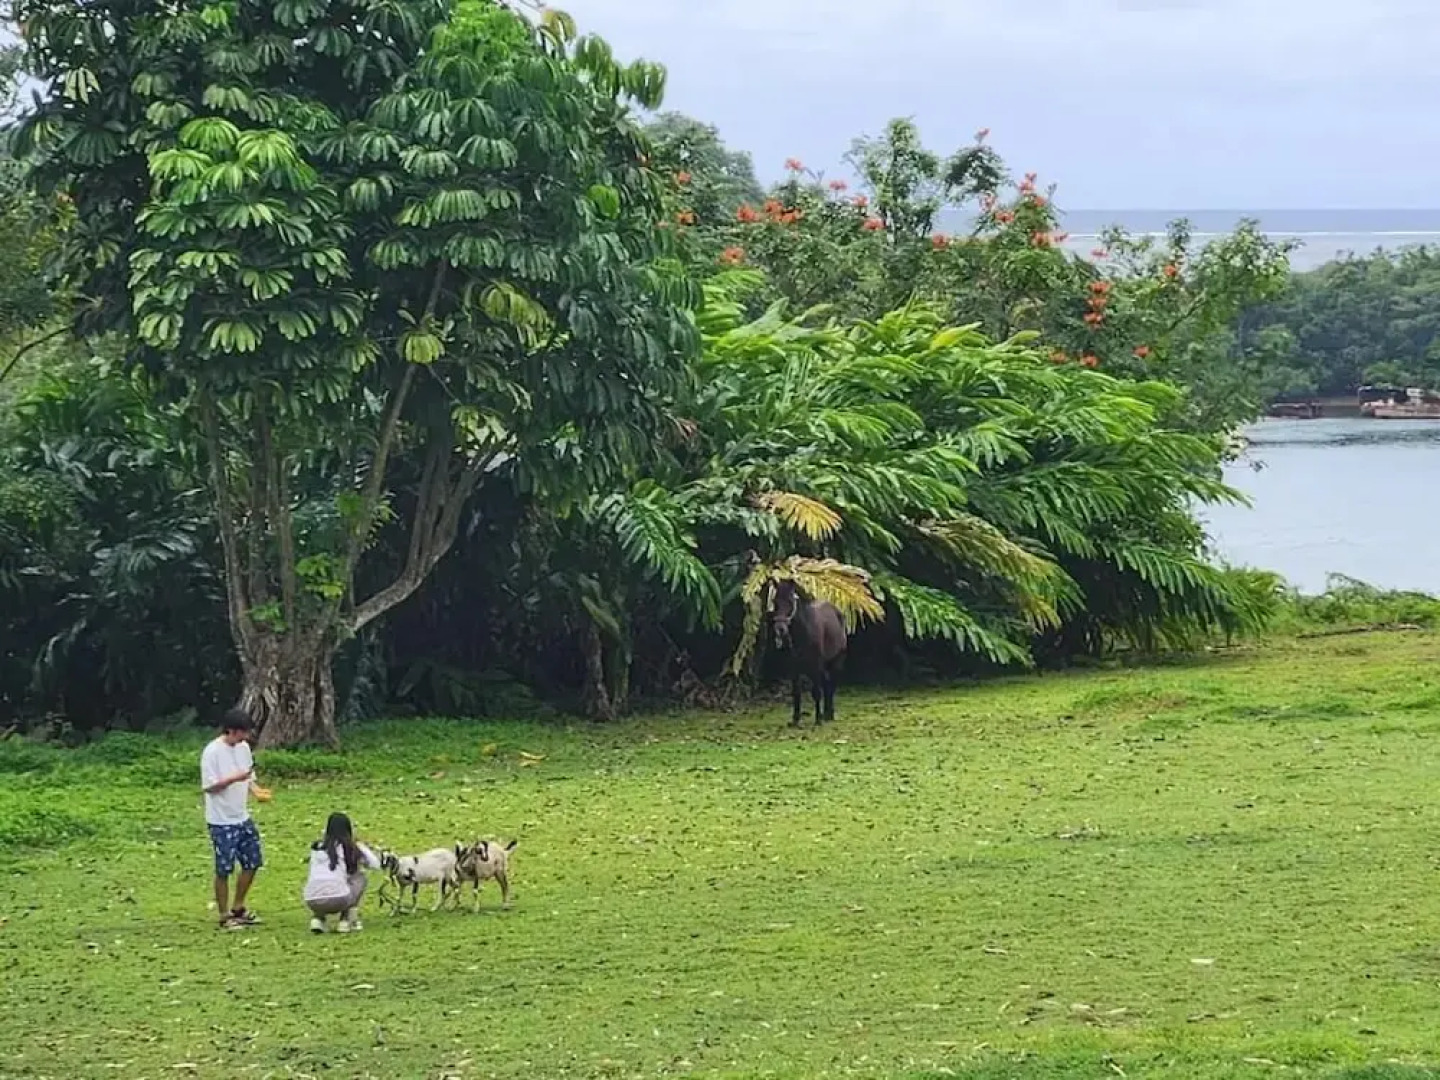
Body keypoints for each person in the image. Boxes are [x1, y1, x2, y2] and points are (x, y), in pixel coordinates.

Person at [200, 707, 265, 930]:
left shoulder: (244, 748)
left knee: (253, 861)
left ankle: (239, 906)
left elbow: (248, 777)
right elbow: (209, 786)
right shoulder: (212, 752)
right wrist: (233, 779)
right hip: (221, 820)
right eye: (242, 733)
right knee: (224, 868)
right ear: (230, 731)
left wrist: (256, 791)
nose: (245, 737)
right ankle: (223, 914)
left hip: (242, 816)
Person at [303, 812, 381, 934]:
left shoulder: (317, 847)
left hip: (311, 899)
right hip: (339, 899)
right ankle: (345, 919)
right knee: (360, 878)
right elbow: (376, 865)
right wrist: (361, 845)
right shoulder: (349, 847)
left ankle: (317, 918)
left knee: (320, 880)